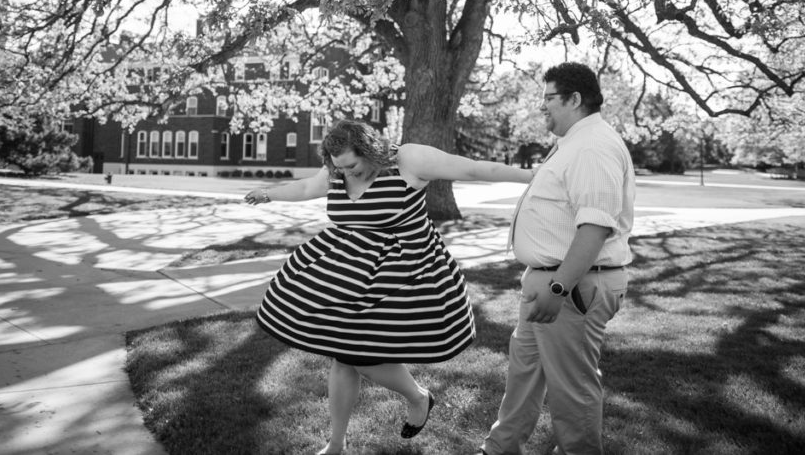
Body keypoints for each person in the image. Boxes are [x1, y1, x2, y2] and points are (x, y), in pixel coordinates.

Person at [244, 119, 533, 455]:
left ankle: (418, 397)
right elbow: (308, 188)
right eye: (338, 168)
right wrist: (268, 194)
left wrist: (532, 175)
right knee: (343, 355)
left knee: (358, 355)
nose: (346, 173)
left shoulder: (408, 160)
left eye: (352, 164)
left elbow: (472, 169)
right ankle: (336, 443)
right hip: (348, 277)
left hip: (402, 274)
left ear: (370, 151)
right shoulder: (337, 170)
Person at [479, 63, 635, 455]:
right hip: (547, 282)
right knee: (525, 372)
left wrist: (558, 287)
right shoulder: (573, 143)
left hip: (569, 287)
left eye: (549, 99)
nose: (542, 108)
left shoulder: (593, 146)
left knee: (572, 389)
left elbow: (595, 228)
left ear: (574, 99)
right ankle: (501, 448)